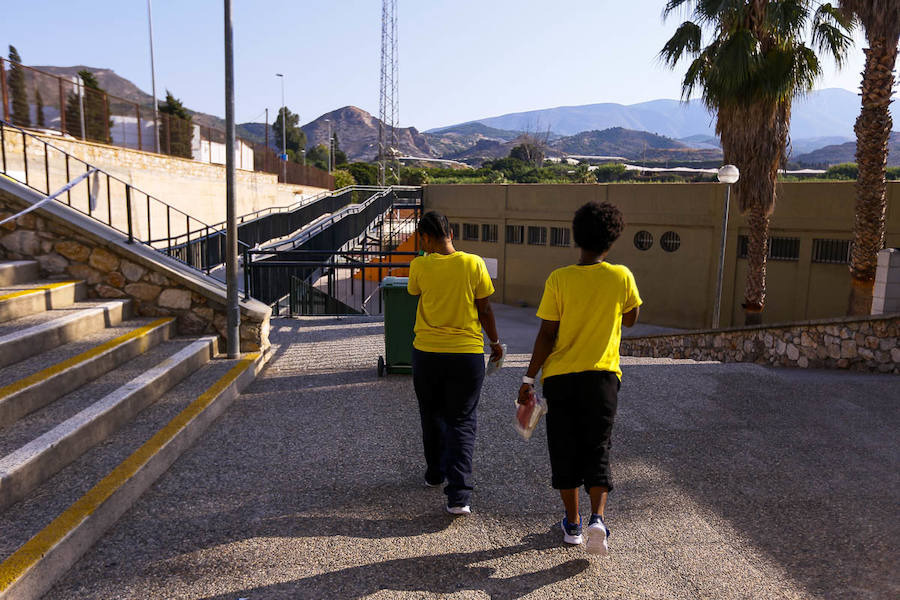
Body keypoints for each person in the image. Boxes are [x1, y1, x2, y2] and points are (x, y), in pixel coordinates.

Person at [518, 201, 641, 554]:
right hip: (602, 379)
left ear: (577, 237)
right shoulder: (622, 276)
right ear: (612, 239)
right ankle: (597, 520)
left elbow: (546, 335)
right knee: (598, 447)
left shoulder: (559, 278)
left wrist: (528, 379)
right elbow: (631, 318)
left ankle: (571, 524)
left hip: (560, 379)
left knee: (564, 449)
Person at [407, 211, 502, 515]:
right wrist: (495, 343)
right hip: (466, 354)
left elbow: (415, 292)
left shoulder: (419, 264)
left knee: (431, 414)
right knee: (461, 420)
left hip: (427, 353)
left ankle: (435, 474)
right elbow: (484, 309)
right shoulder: (474, 263)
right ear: (451, 233)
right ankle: (458, 495)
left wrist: (425, 254)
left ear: (425, 237)